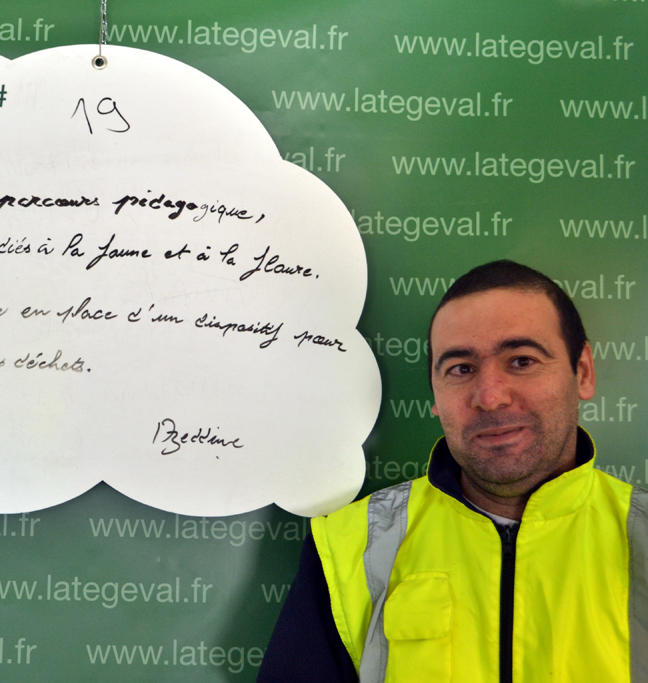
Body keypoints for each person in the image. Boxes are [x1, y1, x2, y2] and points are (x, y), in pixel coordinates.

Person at [258, 260, 648, 683]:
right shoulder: (347, 548)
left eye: (522, 361)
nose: (490, 397)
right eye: (461, 369)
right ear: (435, 394)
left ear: (583, 372)